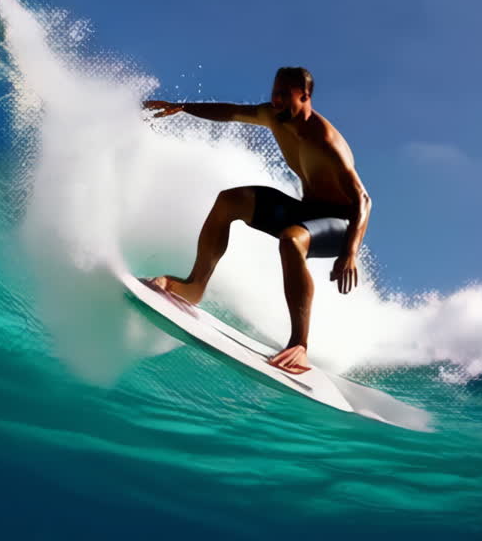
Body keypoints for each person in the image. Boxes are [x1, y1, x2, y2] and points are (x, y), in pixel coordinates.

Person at [142, 67, 372, 374]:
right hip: (306, 212)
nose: (275, 100)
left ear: (304, 97)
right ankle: (193, 286)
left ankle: (299, 344)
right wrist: (184, 107)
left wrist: (350, 253)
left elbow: (363, 200)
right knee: (229, 201)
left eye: (284, 95)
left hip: (340, 225)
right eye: (274, 92)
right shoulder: (273, 116)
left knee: (291, 239)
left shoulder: (326, 141)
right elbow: (233, 112)